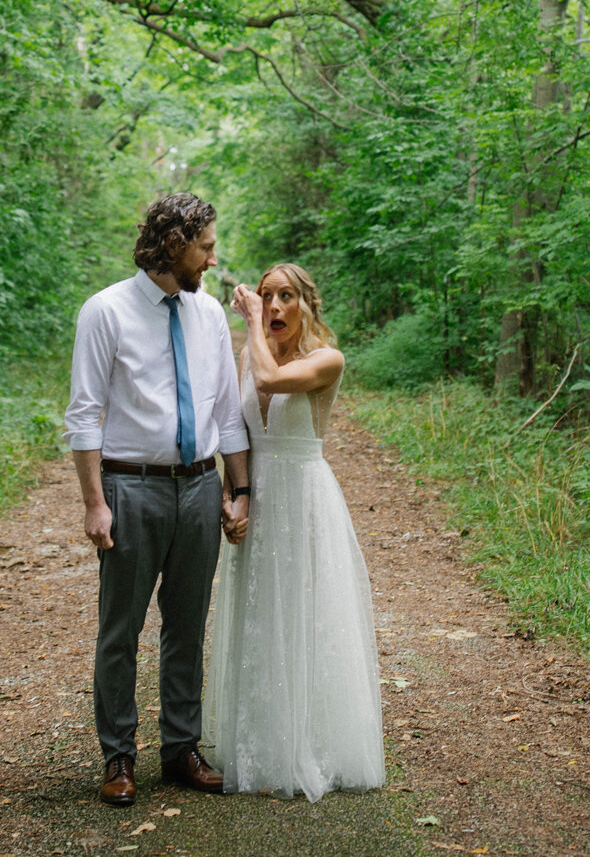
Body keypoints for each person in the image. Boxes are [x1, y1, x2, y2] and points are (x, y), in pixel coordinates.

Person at [65, 193, 252, 808]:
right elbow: (85, 413)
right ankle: (118, 754)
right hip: (130, 486)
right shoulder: (106, 311)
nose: (213, 257)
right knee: (120, 629)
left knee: (188, 625)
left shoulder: (207, 318)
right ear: (174, 243)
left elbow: (226, 412)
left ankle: (181, 749)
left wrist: (237, 487)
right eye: (205, 246)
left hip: (199, 487)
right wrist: (95, 502)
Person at [205, 263, 386, 799]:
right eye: (266, 296)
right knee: (260, 611)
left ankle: (313, 743)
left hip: (304, 499)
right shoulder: (249, 355)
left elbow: (271, 381)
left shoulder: (326, 360)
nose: (275, 306)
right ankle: (260, 740)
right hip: (256, 499)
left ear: (307, 305)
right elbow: (232, 429)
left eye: (286, 297)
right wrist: (232, 495)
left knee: (306, 612)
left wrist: (252, 324)